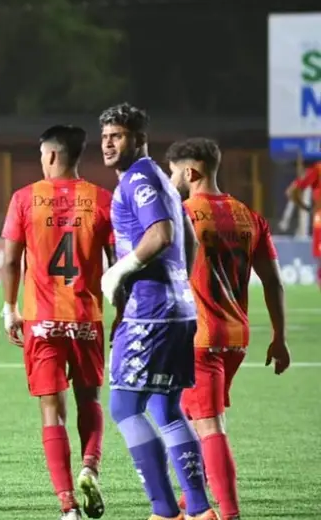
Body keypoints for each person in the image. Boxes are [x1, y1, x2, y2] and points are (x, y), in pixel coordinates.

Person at [97, 103, 214, 520]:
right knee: (165, 408)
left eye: (119, 135)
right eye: (106, 136)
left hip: (152, 313)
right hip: (177, 309)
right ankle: (200, 510)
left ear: (139, 139)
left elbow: (162, 235)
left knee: (125, 408)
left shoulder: (140, 178)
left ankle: (165, 511)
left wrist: (120, 271)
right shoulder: (161, 180)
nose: (109, 143)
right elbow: (190, 242)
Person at [167, 137, 291, 520]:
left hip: (198, 337)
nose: (170, 179)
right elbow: (273, 281)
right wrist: (279, 337)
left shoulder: (182, 215)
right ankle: (191, 500)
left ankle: (229, 512)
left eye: (172, 171)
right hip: (237, 337)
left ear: (190, 172)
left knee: (208, 425)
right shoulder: (249, 216)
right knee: (197, 418)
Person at [0, 125, 112, 520]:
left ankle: (67, 507)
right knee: (90, 399)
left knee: (52, 411)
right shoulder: (102, 200)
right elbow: (119, 267)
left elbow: (11, 260)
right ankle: (90, 466)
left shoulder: (25, 199)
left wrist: (9, 308)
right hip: (86, 318)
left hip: (42, 321)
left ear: (49, 156)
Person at [286, 160, 321, 285]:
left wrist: (306, 208)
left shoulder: (317, 169)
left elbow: (292, 191)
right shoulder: (317, 170)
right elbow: (292, 191)